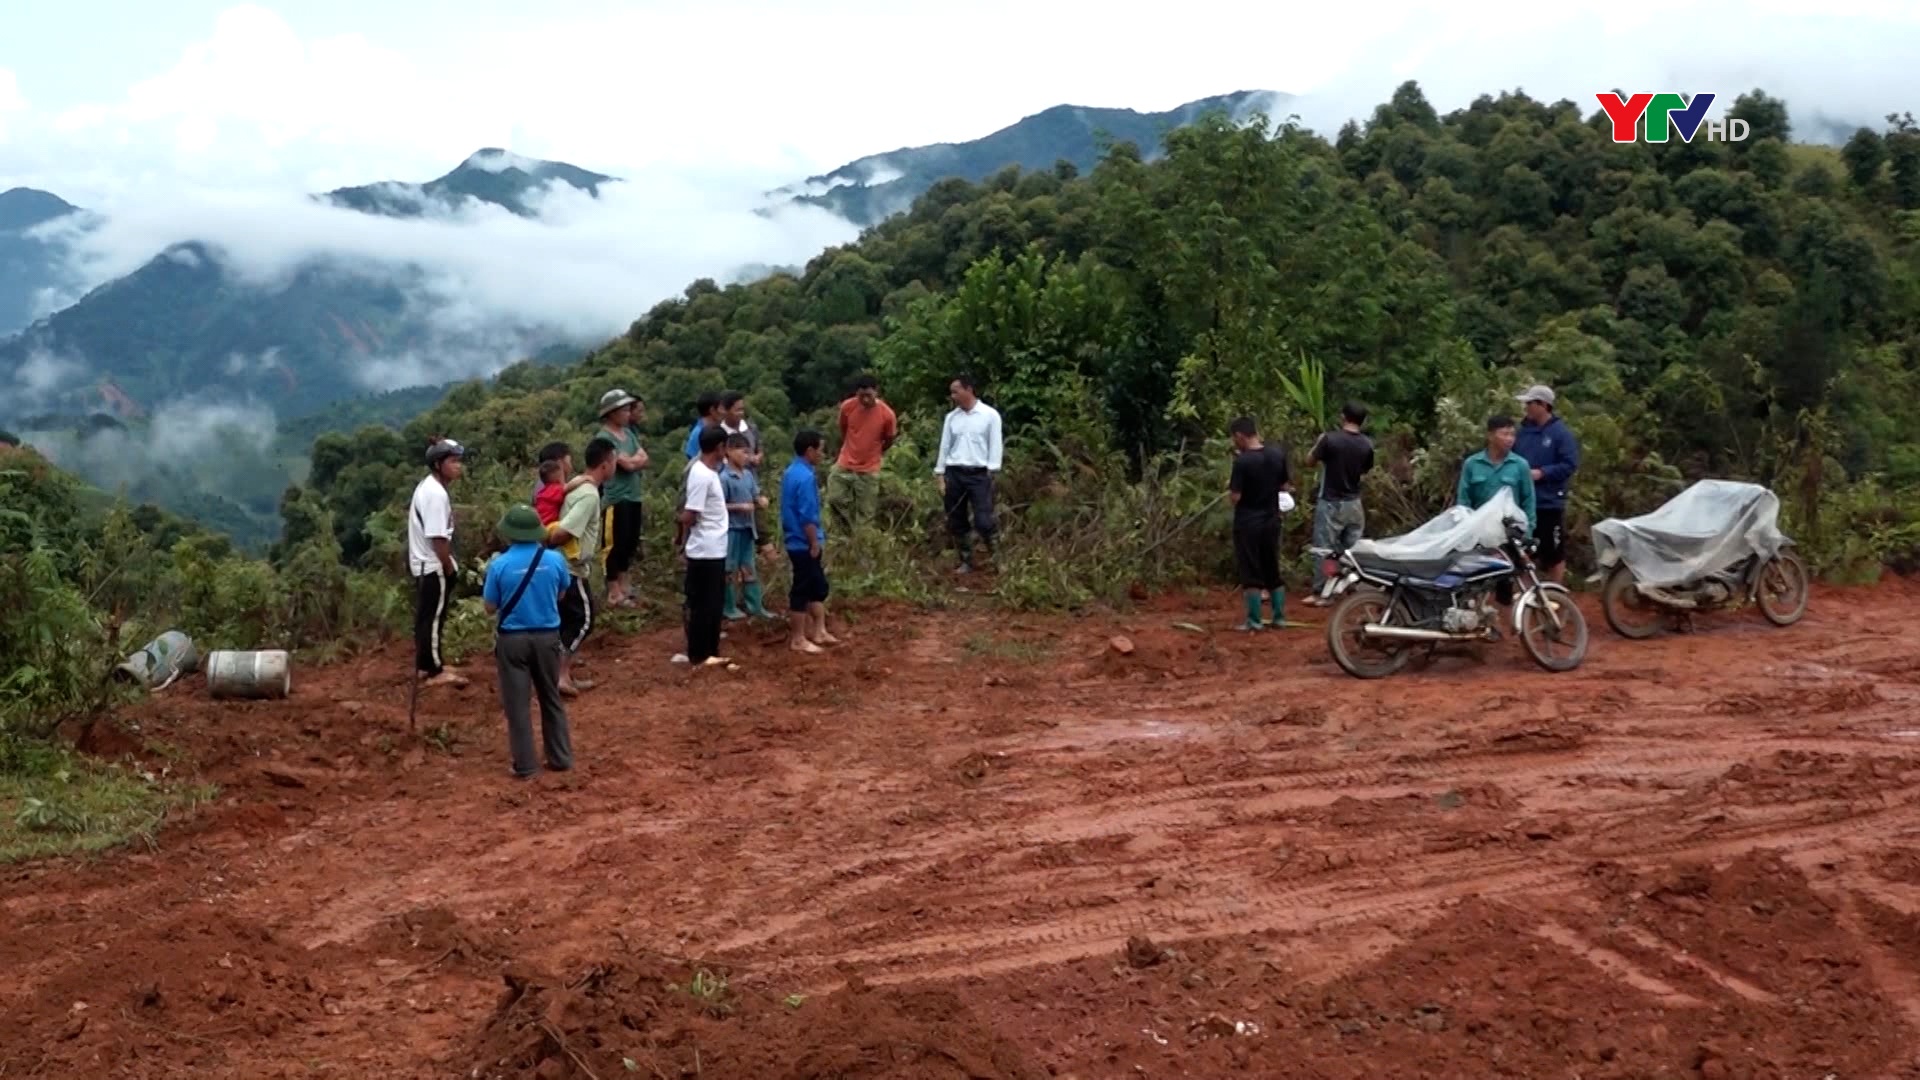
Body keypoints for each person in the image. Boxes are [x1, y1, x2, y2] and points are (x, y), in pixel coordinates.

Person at [483, 505, 575, 779]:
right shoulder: (555, 561)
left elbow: (490, 607)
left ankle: (525, 765)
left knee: (518, 704)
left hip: (513, 641)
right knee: (550, 698)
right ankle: (560, 757)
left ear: (509, 534)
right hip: (548, 638)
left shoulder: (498, 565)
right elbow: (561, 594)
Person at [545, 438, 615, 696]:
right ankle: (560, 676)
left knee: (566, 621)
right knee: (583, 620)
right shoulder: (588, 494)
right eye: (614, 461)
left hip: (562, 565)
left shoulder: (579, 488)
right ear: (606, 464)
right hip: (570, 567)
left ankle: (562, 674)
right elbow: (562, 532)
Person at [408, 437, 468, 689]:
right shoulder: (435, 495)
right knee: (432, 618)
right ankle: (434, 670)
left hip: (423, 564)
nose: (458, 467)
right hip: (432, 565)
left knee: (427, 617)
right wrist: (447, 565)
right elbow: (437, 538)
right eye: (452, 461)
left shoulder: (429, 487)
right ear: (437, 464)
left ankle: (428, 663)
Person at [1303, 402, 1376, 607]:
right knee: (1352, 550)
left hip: (1330, 502)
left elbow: (1309, 461)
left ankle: (1323, 593)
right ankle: (1351, 591)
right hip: (1354, 502)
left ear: (1343, 417)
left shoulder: (1329, 439)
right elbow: (1365, 471)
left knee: (1324, 550)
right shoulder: (1367, 444)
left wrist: (1318, 443)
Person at [1226, 417, 1294, 631]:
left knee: (1251, 571)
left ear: (1239, 436)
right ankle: (1279, 617)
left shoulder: (1242, 462)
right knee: (1272, 567)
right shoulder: (1277, 454)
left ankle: (1254, 621)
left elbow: (1235, 497)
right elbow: (1285, 486)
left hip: (1248, 522)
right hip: (1272, 520)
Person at [674, 425, 732, 666]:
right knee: (704, 603)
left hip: (713, 546)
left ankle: (709, 651)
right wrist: (679, 531)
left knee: (712, 602)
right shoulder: (701, 475)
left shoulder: (708, 472)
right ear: (719, 448)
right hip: (705, 549)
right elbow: (691, 513)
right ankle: (700, 653)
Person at [933, 375, 1004, 574]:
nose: (952, 396)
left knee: (984, 519)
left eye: (956, 391)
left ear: (969, 390)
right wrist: (940, 474)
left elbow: (995, 445)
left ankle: (997, 559)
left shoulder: (990, 415)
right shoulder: (952, 417)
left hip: (979, 474)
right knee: (956, 518)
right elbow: (945, 446)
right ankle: (967, 560)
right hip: (954, 473)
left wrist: (992, 470)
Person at [1513, 385, 1581, 584]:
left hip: (1548, 503)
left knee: (1554, 554)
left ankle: (1555, 597)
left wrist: (1543, 473)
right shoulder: (1522, 432)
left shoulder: (1561, 434)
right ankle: (1526, 598)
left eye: (1530, 403)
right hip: (1523, 504)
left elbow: (1569, 464)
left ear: (1543, 405)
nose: (1526, 407)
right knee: (1523, 553)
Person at [782, 429, 840, 653]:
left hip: (797, 539)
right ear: (810, 451)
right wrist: (814, 542)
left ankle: (819, 630)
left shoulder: (792, 472)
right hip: (802, 542)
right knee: (803, 587)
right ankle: (798, 638)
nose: (822, 455)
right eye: (821, 450)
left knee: (817, 585)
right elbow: (807, 516)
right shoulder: (805, 477)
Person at [595, 389, 649, 609]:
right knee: (614, 544)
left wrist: (633, 461)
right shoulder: (604, 438)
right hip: (616, 498)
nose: (628, 413)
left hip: (634, 495)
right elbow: (625, 464)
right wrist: (634, 461)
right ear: (612, 413)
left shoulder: (629, 434)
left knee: (630, 542)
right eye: (624, 409)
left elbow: (643, 458)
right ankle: (613, 591)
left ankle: (625, 586)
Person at [830, 374, 898, 536]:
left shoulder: (887, 414)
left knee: (866, 515)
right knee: (834, 498)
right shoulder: (848, 407)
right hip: (845, 463)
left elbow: (889, 438)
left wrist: (876, 452)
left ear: (876, 392)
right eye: (861, 396)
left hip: (868, 468)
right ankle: (846, 534)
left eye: (869, 395)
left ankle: (862, 548)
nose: (865, 400)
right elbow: (843, 429)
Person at [720, 433, 773, 620]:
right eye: (742, 452)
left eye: (747, 453)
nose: (746, 456)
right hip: (732, 529)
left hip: (747, 528)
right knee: (729, 568)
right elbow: (719, 505)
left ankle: (755, 605)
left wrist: (760, 499)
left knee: (749, 567)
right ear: (729, 451)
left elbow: (755, 494)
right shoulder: (724, 477)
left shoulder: (748, 475)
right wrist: (739, 507)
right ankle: (728, 606)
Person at [1457, 415, 1537, 537]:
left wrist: (1527, 533)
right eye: (1505, 434)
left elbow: (1528, 501)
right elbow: (1463, 501)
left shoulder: (1520, 465)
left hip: (1510, 534)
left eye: (1512, 435)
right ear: (1490, 436)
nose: (1510, 439)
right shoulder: (1472, 464)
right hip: (1479, 533)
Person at [718, 392, 764, 471]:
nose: (741, 413)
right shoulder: (719, 433)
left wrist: (757, 458)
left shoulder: (751, 428)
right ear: (726, 411)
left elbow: (759, 449)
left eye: (742, 409)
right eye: (737, 410)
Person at [683, 392, 724, 460]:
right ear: (712, 410)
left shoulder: (716, 428)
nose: (724, 411)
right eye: (721, 408)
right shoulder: (699, 434)